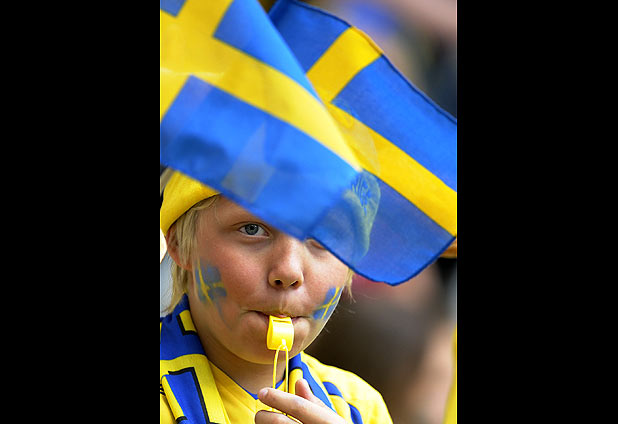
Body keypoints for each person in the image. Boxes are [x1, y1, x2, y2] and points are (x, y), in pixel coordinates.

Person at [160, 171, 393, 423]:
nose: (288, 271)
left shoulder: (360, 408)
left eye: (323, 237)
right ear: (180, 244)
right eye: (252, 229)